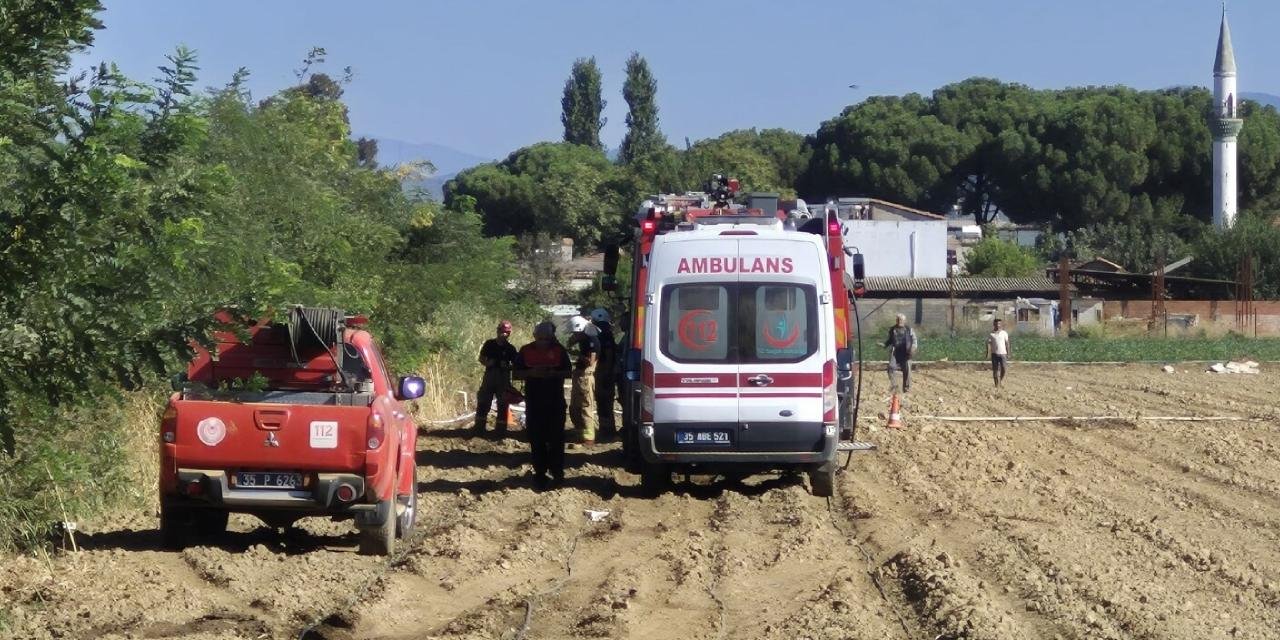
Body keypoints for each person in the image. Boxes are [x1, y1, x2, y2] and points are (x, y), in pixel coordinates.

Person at [513, 321, 572, 490]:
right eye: (540, 339)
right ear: (534, 336)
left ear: (551, 337)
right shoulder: (525, 351)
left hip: (555, 402)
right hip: (534, 403)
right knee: (536, 439)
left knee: (556, 439)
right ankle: (540, 473)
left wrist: (554, 373)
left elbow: (569, 372)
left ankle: (557, 473)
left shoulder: (559, 350)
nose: (543, 342)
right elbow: (516, 373)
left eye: (546, 339)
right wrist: (531, 373)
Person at [473, 320, 517, 436]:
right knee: (484, 400)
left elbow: (517, 364)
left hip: (504, 376)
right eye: (502, 332)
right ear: (498, 331)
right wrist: (488, 363)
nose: (504, 334)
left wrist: (507, 367)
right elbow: (481, 358)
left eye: (507, 332)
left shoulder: (510, 348)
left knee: (503, 403)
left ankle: (501, 430)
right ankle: (479, 428)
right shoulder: (490, 344)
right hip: (490, 375)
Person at [566, 315, 600, 447]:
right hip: (580, 376)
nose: (574, 335)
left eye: (575, 333)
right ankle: (580, 433)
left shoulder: (592, 341)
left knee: (586, 407)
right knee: (575, 407)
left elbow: (590, 361)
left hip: (586, 376)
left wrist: (576, 354)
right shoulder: (584, 339)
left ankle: (588, 438)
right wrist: (572, 342)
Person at [589, 308, 618, 442]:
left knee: (604, 402)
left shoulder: (602, 333)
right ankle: (607, 429)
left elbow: (607, 354)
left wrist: (604, 373)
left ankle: (607, 431)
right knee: (605, 402)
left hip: (604, 373)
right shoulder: (607, 332)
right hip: (607, 372)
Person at [883, 313, 917, 393]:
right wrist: (885, 345)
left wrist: (913, 348)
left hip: (906, 352)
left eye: (901, 320)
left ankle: (906, 389)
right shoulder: (892, 329)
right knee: (891, 368)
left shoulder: (909, 329)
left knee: (907, 369)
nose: (899, 321)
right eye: (898, 320)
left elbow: (914, 340)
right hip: (896, 352)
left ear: (904, 321)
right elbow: (890, 340)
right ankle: (894, 386)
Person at [987, 318, 1012, 388]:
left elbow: (1007, 343)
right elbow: (988, 343)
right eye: (996, 324)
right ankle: (996, 384)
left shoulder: (1004, 333)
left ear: (1001, 324)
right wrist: (987, 353)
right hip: (994, 354)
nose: (998, 325)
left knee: (1004, 368)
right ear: (994, 324)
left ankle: (1000, 380)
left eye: (999, 324)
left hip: (1003, 354)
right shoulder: (991, 334)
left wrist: (1008, 353)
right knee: (995, 370)